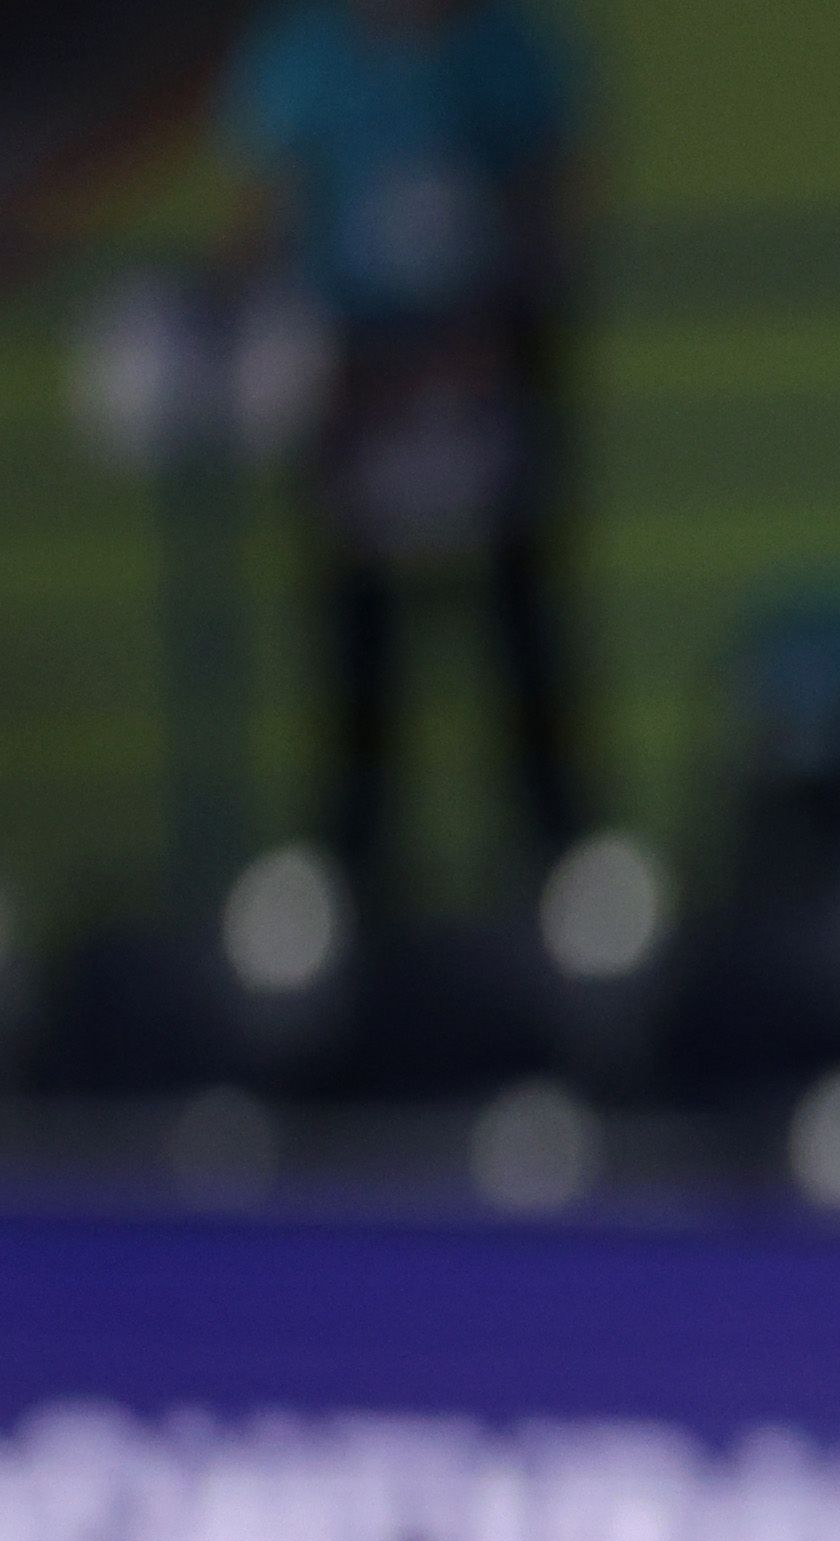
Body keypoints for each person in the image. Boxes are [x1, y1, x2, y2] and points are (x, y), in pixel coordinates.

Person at [220, 0, 590, 902]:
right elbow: (260, 224)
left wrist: (491, 340)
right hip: (353, 387)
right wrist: (294, 352)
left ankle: (559, 862)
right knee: (356, 639)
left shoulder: (507, 50)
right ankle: (355, 869)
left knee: (522, 624)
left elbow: (554, 209)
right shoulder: (303, 56)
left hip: (485, 373)